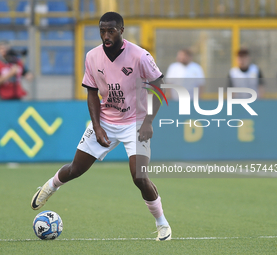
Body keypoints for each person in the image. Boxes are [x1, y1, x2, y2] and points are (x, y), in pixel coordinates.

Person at [30, 12, 171, 241]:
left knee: (139, 177)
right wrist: (97, 126)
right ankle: (49, 187)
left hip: (135, 122)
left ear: (121, 31)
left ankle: (162, 224)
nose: (106, 35)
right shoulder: (92, 56)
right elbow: (92, 93)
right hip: (106, 120)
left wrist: (148, 122)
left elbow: (160, 88)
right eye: (102, 31)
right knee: (76, 169)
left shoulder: (140, 56)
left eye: (111, 31)